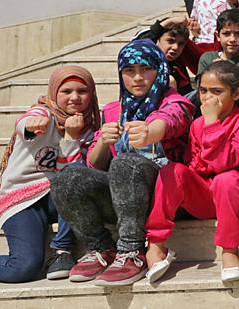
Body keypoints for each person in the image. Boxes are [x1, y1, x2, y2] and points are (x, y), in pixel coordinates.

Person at [50, 40, 194, 286]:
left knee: (127, 162)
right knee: (68, 178)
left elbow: (171, 120)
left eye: (145, 69)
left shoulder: (174, 102)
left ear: (159, 70)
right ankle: (102, 249)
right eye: (129, 71)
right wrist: (103, 143)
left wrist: (150, 131)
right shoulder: (113, 110)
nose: (137, 78)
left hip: (167, 199)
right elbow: (95, 166)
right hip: (125, 198)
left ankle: (131, 251)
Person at [144, 61, 239, 284]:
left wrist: (211, 124)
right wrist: (208, 157)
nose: (208, 97)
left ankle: (230, 250)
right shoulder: (196, 124)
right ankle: (156, 246)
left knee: (227, 178)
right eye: (203, 90)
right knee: (172, 171)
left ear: (236, 93)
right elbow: (195, 164)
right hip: (206, 195)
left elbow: (226, 163)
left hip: (237, 195)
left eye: (217, 91)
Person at [0, 66, 100, 283]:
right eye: (66, 91)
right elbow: (25, 123)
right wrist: (31, 125)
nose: (74, 97)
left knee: (75, 179)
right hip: (23, 200)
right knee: (24, 268)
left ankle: (61, 251)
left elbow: (73, 174)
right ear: (54, 92)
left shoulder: (89, 127)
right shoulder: (43, 113)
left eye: (82, 91)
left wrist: (72, 137)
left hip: (57, 197)